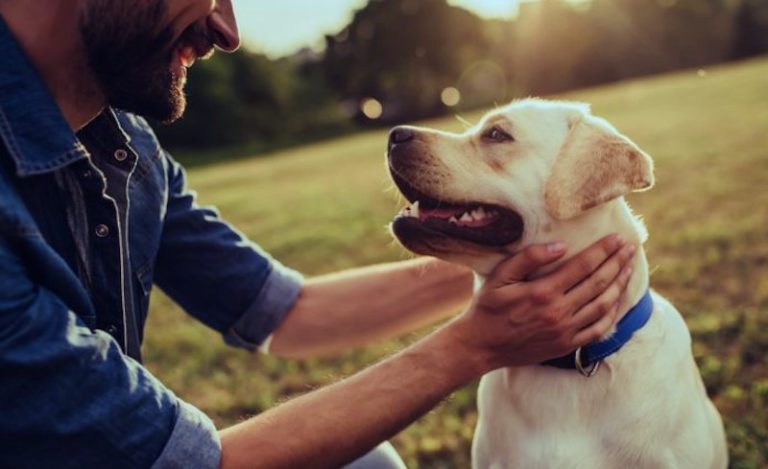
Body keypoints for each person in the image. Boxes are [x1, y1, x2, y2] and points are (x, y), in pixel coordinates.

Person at [0, 1, 636, 468]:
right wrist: (471, 346)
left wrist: (524, 255)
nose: (226, 30)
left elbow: (289, 312)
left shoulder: (126, 150)